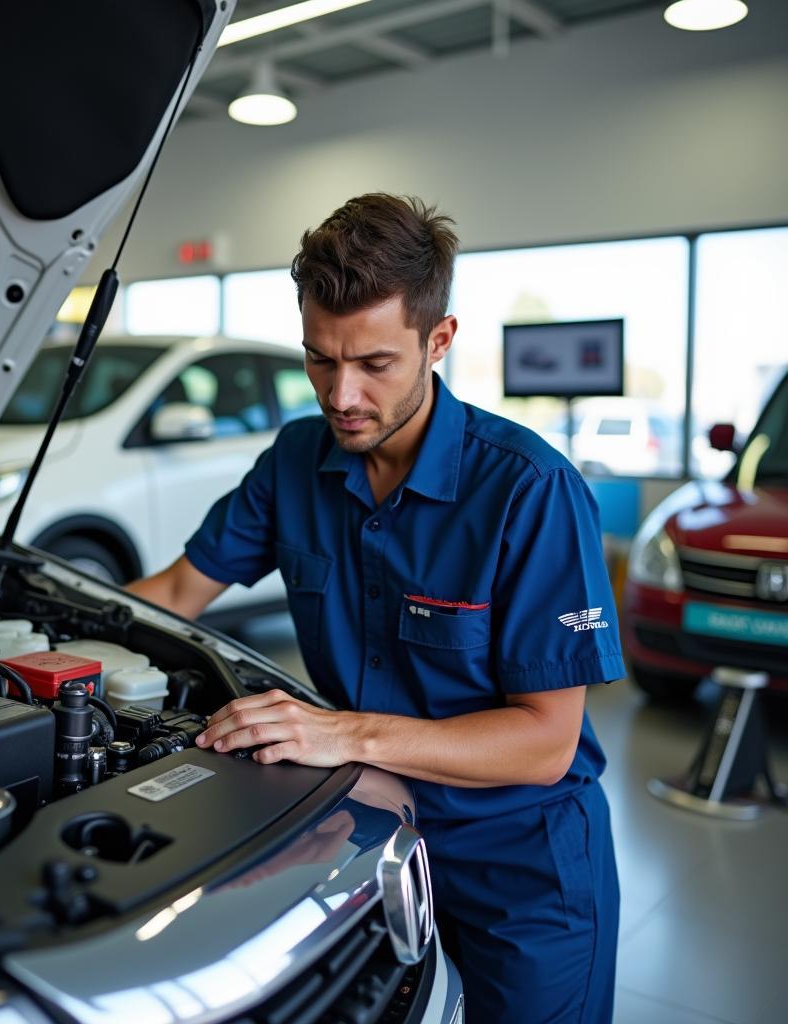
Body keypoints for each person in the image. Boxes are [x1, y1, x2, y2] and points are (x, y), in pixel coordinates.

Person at [126, 193, 623, 1023]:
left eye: (375, 364)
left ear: (439, 341)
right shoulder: (294, 460)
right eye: (320, 360)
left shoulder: (531, 490)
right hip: (372, 847)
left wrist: (341, 731)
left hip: (523, 870)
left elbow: (544, 742)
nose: (341, 394)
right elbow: (172, 596)